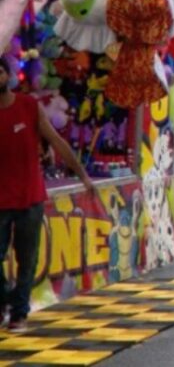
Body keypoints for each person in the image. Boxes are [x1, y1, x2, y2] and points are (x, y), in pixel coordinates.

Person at [0, 56, 94, 333]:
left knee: (26, 260)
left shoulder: (28, 106)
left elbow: (57, 141)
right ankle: (5, 300)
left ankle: (19, 314)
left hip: (29, 198)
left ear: (8, 76)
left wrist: (83, 175)